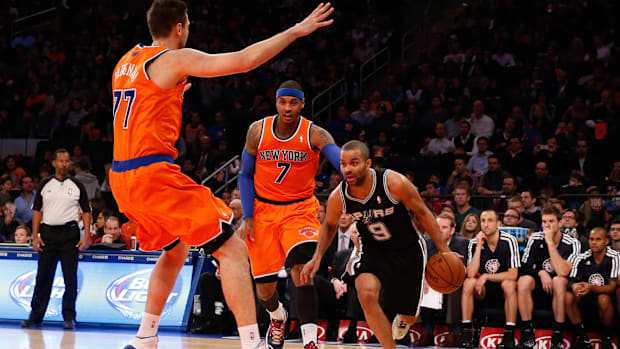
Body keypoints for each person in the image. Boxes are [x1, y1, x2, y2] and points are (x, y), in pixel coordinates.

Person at [109, 2, 334, 349]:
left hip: (122, 178)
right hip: (152, 175)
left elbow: (141, 106)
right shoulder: (172, 59)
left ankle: (145, 338)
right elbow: (244, 60)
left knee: (174, 250)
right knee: (232, 249)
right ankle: (251, 342)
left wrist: (173, 96)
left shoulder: (126, 62)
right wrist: (295, 31)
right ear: (180, 28)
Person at [301, 140, 453, 349]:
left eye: (354, 163)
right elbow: (328, 226)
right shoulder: (339, 197)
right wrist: (317, 257)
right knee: (365, 292)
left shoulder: (393, 183)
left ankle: (405, 319)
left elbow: (423, 213)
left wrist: (445, 250)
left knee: (408, 316)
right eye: (343, 164)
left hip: (407, 250)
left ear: (368, 163)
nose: (347, 169)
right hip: (373, 250)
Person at [237, 79, 343, 349]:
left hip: (299, 209)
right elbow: (246, 175)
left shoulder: (315, 134)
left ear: (302, 104)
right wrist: (248, 215)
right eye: (283, 102)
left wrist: (357, 176)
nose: (287, 107)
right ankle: (277, 317)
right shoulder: (257, 130)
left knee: (302, 271)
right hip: (263, 211)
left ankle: (310, 340)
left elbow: (341, 162)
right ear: (276, 103)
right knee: (265, 290)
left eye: (293, 102)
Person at [21, 149, 91, 330]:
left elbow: (86, 211)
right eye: (61, 161)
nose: (64, 164)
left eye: (67, 161)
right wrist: (35, 236)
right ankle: (35, 316)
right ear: (54, 163)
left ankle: (69, 317)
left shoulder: (76, 184)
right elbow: (37, 212)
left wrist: (87, 237)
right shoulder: (45, 183)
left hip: (70, 235)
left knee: (70, 280)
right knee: (43, 278)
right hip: (48, 235)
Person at [517, 206, 581, 349]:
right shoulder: (535, 238)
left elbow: (564, 272)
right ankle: (527, 333)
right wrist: (541, 272)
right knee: (523, 281)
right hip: (540, 282)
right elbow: (524, 267)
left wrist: (551, 244)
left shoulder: (572, 243)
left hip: (561, 286)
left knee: (558, 281)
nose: (547, 225)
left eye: (551, 221)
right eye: (544, 222)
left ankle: (557, 334)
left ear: (559, 223)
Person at [460, 210, 520, 349]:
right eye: (483, 221)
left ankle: (509, 334)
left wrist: (487, 276)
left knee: (509, 284)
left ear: (499, 223)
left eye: (490, 220)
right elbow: (471, 273)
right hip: (482, 290)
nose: (486, 224)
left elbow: (513, 274)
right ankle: (467, 332)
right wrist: (479, 246)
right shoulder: (474, 243)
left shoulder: (509, 241)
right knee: (469, 283)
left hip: (503, 288)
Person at [566, 228, 619, 349]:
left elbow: (611, 287)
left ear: (606, 241)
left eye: (598, 239)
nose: (594, 242)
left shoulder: (615, 257)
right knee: (568, 297)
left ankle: (607, 336)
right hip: (585, 296)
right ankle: (582, 337)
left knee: (603, 299)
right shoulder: (581, 257)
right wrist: (575, 286)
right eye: (591, 239)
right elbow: (571, 281)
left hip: (605, 296)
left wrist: (591, 287)